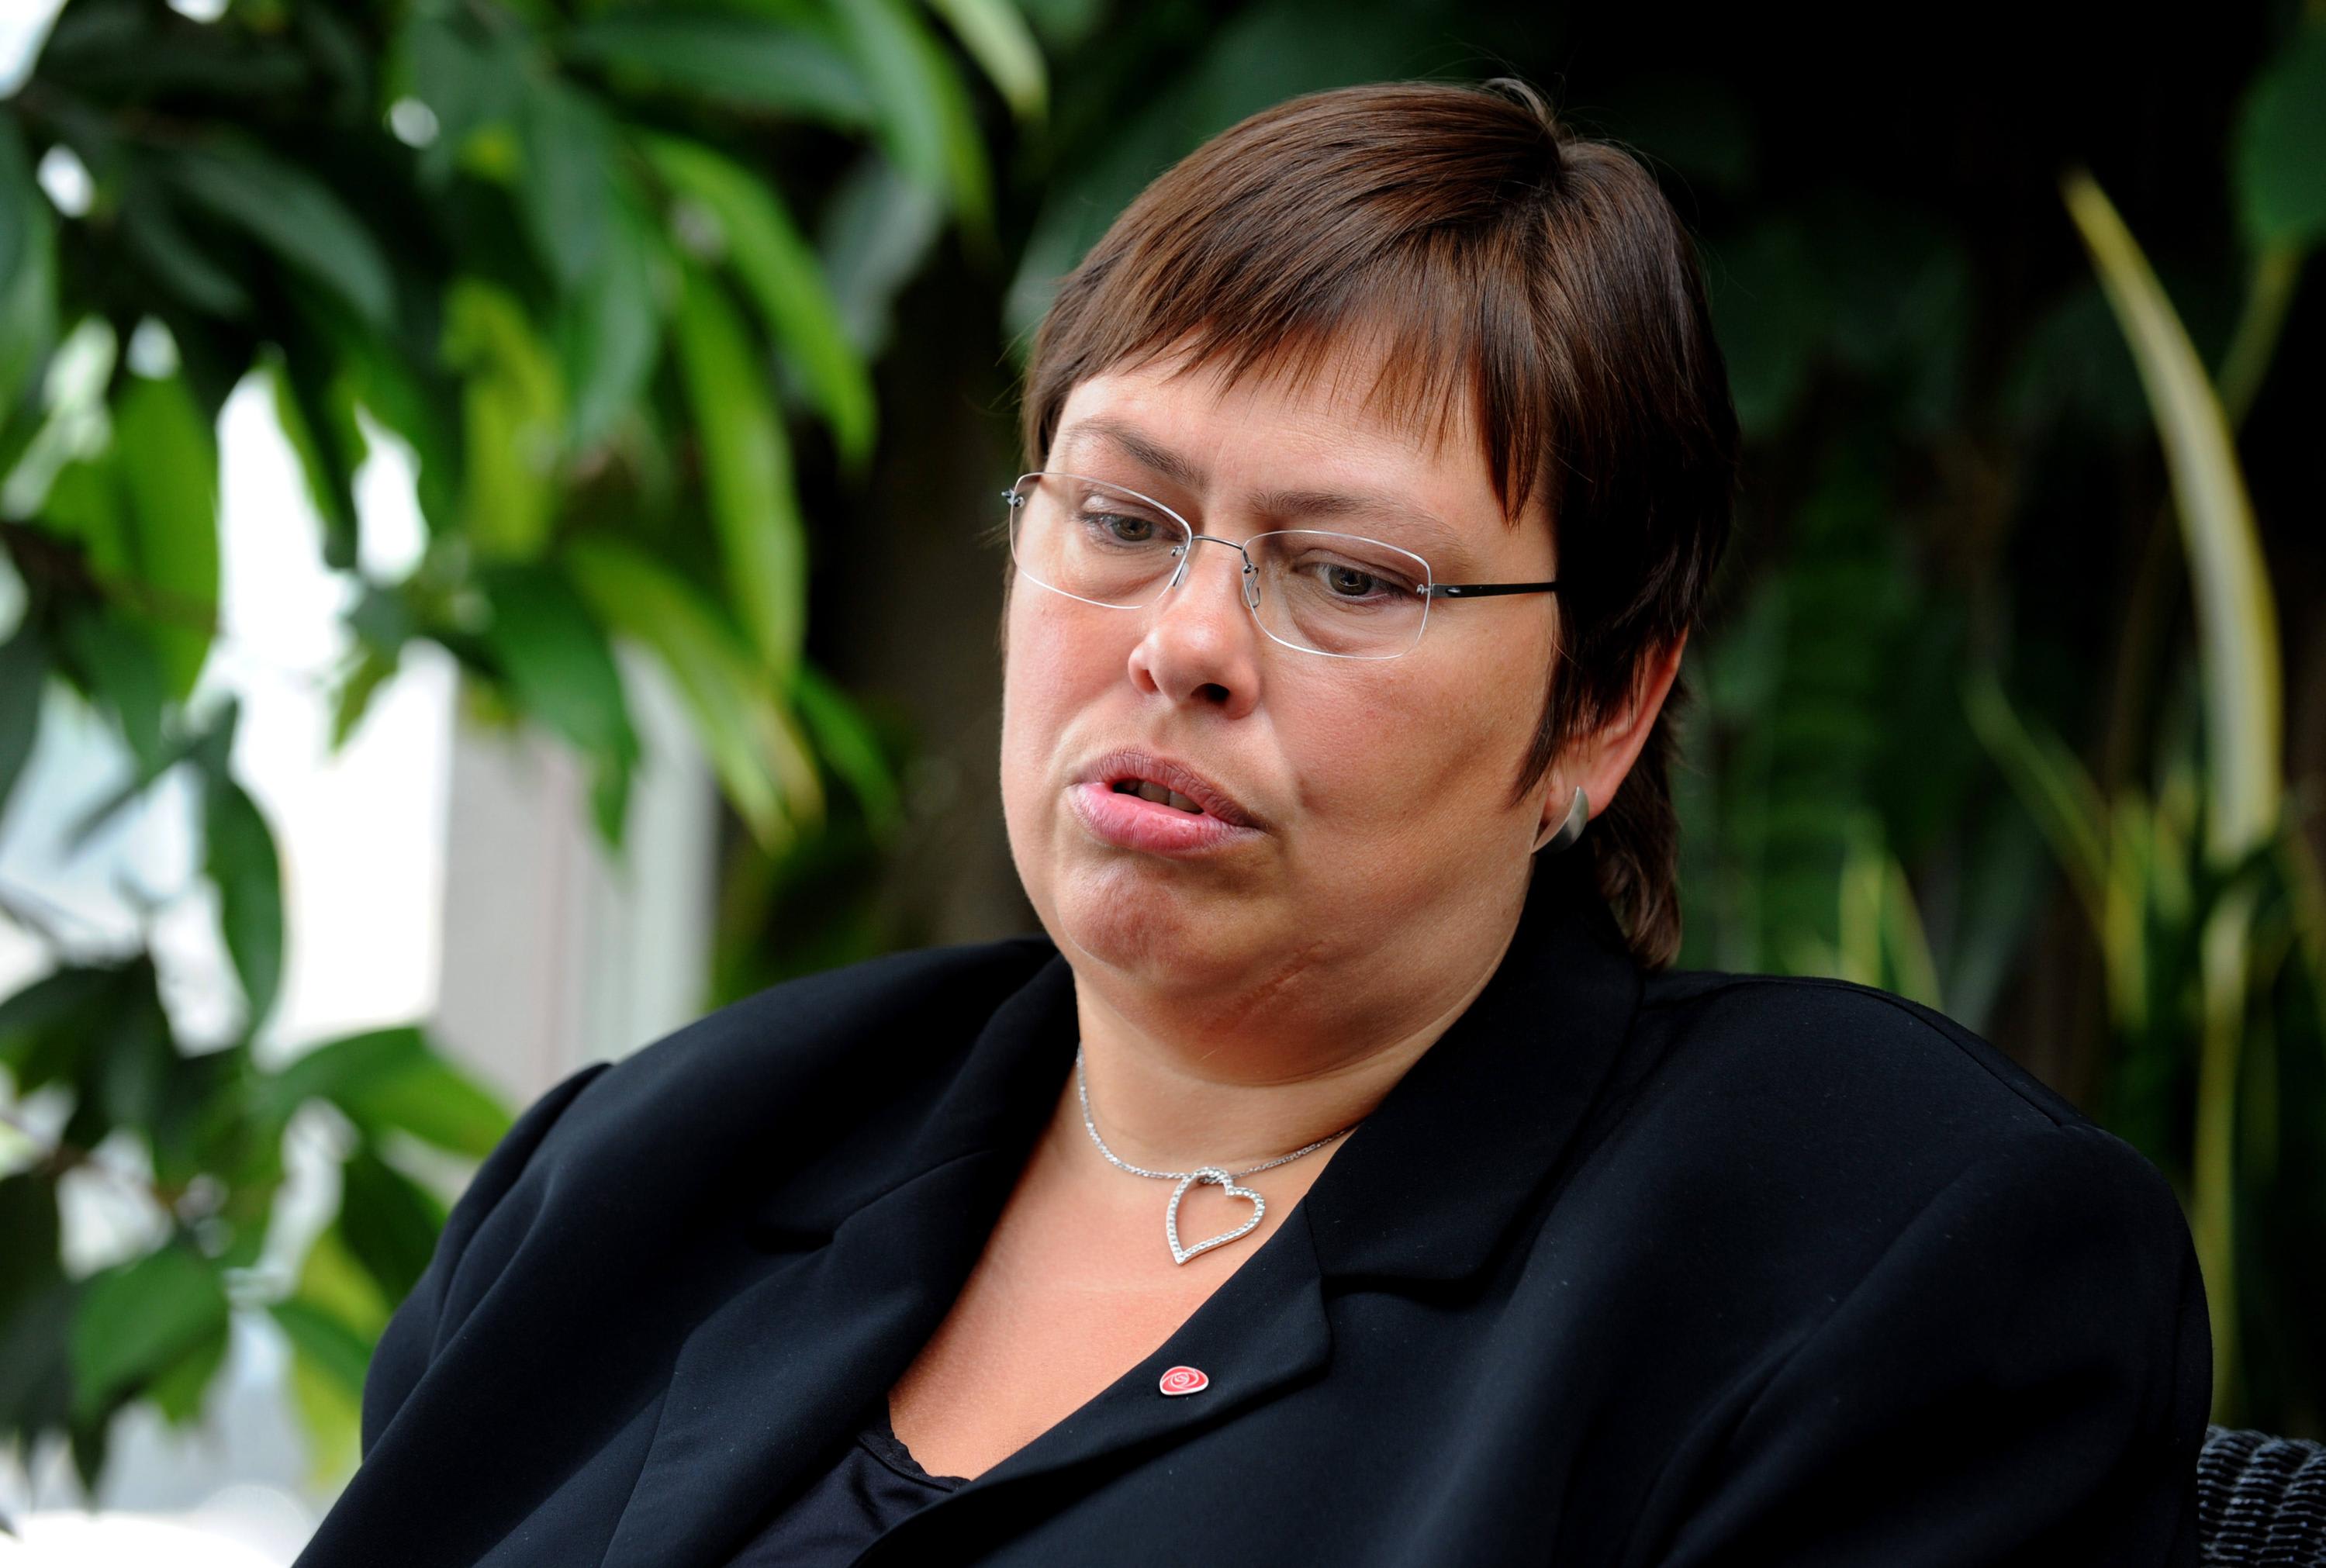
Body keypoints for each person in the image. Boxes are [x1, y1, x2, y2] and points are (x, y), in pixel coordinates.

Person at [292, 79, 2210, 1567]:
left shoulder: (1881, 1260)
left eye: (1352, 576)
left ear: (1603, 712)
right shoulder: (637, 1172)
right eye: (1123, 521)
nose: (1185, 642)